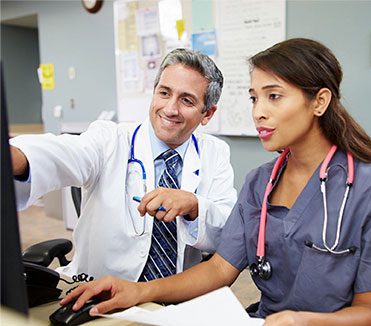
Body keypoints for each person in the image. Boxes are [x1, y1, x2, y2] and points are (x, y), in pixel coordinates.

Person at [61, 38, 371, 325]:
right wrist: (138, 291)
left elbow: (370, 314)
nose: (259, 113)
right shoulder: (261, 183)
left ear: (320, 102)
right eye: (254, 98)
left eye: (274, 97)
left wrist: (301, 320)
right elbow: (219, 270)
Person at [10, 48, 237, 282]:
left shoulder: (215, 152)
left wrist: (194, 206)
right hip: (100, 290)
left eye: (186, 100)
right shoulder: (110, 138)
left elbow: (227, 229)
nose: (170, 109)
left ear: (207, 113)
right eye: (164, 93)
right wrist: (16, 157)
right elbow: (63, 153)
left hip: (175, 296)